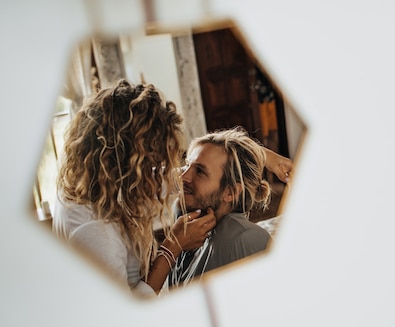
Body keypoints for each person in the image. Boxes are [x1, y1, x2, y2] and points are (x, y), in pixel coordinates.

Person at [53, 79, 292, 298]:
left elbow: (185, 171)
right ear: (129, 161)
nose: (179, 175)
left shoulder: (87, 188)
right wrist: (171, 248)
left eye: (196, 169)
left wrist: (263, 155)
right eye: (154, 159)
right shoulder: (95, 234)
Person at [164, 127, 274, 289]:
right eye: (187, 165)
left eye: (200, 171)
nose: (182, 176)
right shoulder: (182, 213)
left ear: (230, 192)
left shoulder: (247, 240)